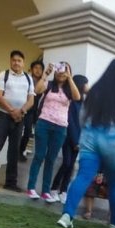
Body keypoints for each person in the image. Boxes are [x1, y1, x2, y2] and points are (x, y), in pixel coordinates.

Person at [57, 58, 115, 228]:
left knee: (83, 176)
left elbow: (83, 115)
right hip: (114, 139)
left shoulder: (96, 90)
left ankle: (67, 216)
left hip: (91, 136)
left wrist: (86, 133)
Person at [26, 61, 81, 201]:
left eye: (64, 70)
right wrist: (46, 74)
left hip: (61, 127)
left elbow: (77, 97)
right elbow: (37, 90)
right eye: (59, 69)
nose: (61, 72)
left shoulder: (69, 90)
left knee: (51, 159)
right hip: (44, 123)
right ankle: (31, 188)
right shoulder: (49, 85)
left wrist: (69, 78)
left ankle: (45, 191)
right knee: (39, 155)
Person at [0, 50, 36, 191]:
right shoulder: (4, 75)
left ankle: (11, 183)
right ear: (10, 61)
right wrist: (12, 110)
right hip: (3, 116)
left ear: (23, 63)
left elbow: (31, 99)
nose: (16, 63)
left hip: (20, 118)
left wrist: (22, 111)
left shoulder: (28, 78)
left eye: (19, 60)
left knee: (14, 150)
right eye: (13, 60)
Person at [50, 74, 89, 203]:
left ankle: (64, 190)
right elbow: (71, 121)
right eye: (86, 83)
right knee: (66, 163)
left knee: (71, 165)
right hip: (69, 138)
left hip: (79, 139)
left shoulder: (83, 103)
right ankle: (54, 188)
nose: (87, 86)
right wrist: (75, 141)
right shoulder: (72, 101)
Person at [19, 59, 45, 159]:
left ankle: (23, 151)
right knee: (25, 131)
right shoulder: (27, 79)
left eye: (40, 69)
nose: (38, 70)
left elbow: (41, 91)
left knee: (30, 132)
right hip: (25, 108)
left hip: (35, 111)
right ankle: (19, 151)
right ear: (31, 69)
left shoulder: (43, 82)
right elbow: (35, 91)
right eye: (36, 68)